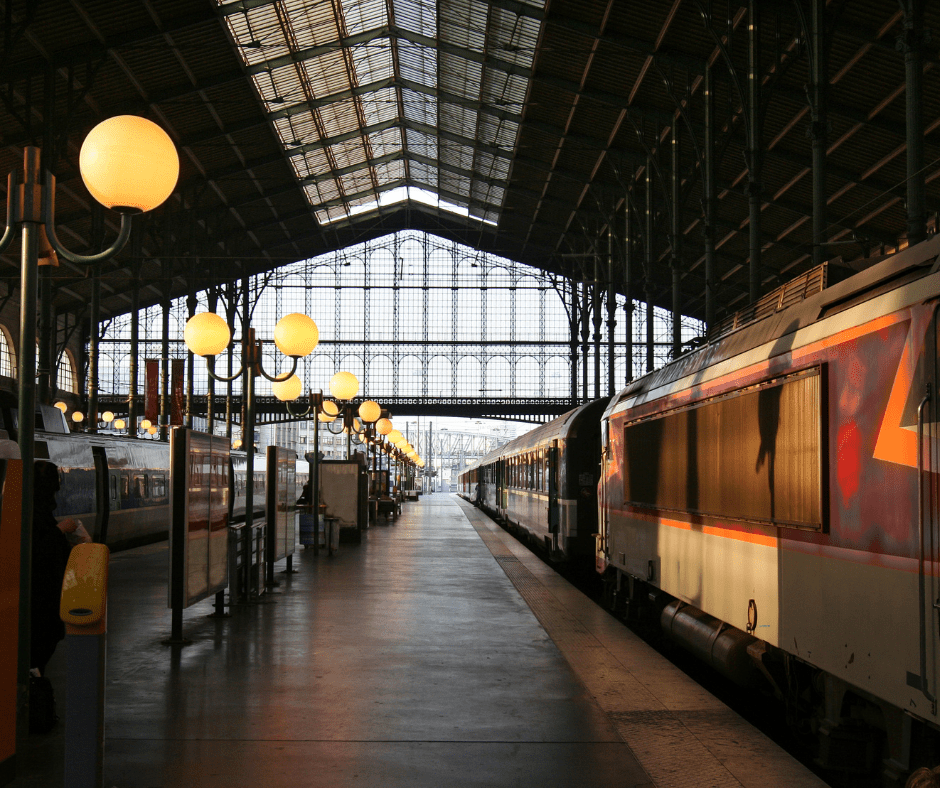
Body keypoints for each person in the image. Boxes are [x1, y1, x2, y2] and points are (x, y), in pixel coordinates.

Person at [30, 460, 87, 677]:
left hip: (46, 596)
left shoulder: (36, 508)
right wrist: (60, 531)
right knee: (40, 647)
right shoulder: (31, 511)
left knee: (43, 644)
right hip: (40, 596)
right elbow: (35, 550)